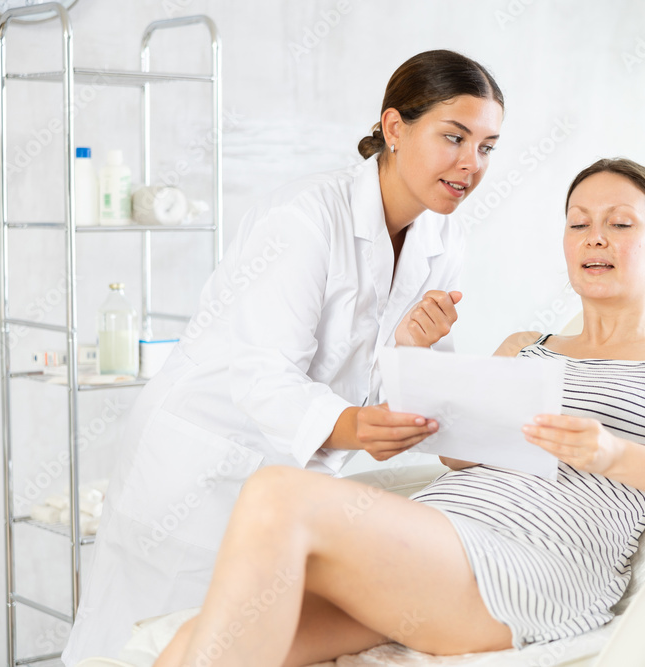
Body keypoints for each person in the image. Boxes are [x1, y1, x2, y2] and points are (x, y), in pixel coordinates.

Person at [148, 157, 645, 667]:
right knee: (195, 645)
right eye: (578, 223)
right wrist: (414, 355)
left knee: (277, 494)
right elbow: (458, 455)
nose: (595, 238)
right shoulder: (525, 348)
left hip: (531, 569)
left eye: (620, 224)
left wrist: (614, 455)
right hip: (436, 544)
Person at [61, 49, 504, 666]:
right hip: (203, 463)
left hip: (295, 477)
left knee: (247, 644)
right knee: (143, 641)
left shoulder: (443, 235)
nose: (471, 163)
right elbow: (262, 373)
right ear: (395, 128)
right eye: (453, 137)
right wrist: (356, 427)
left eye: (487, 147)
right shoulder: (305, 217)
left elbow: (412, 369)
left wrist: (414, 357)